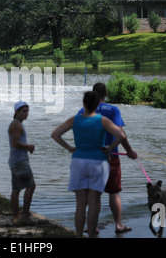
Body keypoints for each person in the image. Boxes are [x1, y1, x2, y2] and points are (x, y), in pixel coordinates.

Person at [51, 91, 126, 237]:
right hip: (98, 162)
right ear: (97, 105)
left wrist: (69, 148)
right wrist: (109, 148)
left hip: (79, 161)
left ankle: (79, 235)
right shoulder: (102, 120)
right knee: (93, 202)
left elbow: (55, 135)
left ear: (83, 104)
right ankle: (92, 234)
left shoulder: (75, 120)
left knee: (80, 204)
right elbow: (121, 135)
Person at [77, 83, 138, 234]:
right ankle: (118, 225)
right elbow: (120, 133)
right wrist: (129, 151)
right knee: (114, 192)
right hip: (111, 156)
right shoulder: (113, 110)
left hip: (90, 158)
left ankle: (93, 226)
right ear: (106, 94)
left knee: (94, 194)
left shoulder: (83, 111)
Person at [8, 101, 36, 223]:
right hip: (19, 161)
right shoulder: (16, 125)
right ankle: (24, 215)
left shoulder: (17, 124)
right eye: (24, 111)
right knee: (31, 186)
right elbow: (15, 144)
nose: (26, 113)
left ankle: (16, 216)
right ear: (16, 112)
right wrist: (28, 146)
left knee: (16, 189)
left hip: (15, 160)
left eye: (27, 111)